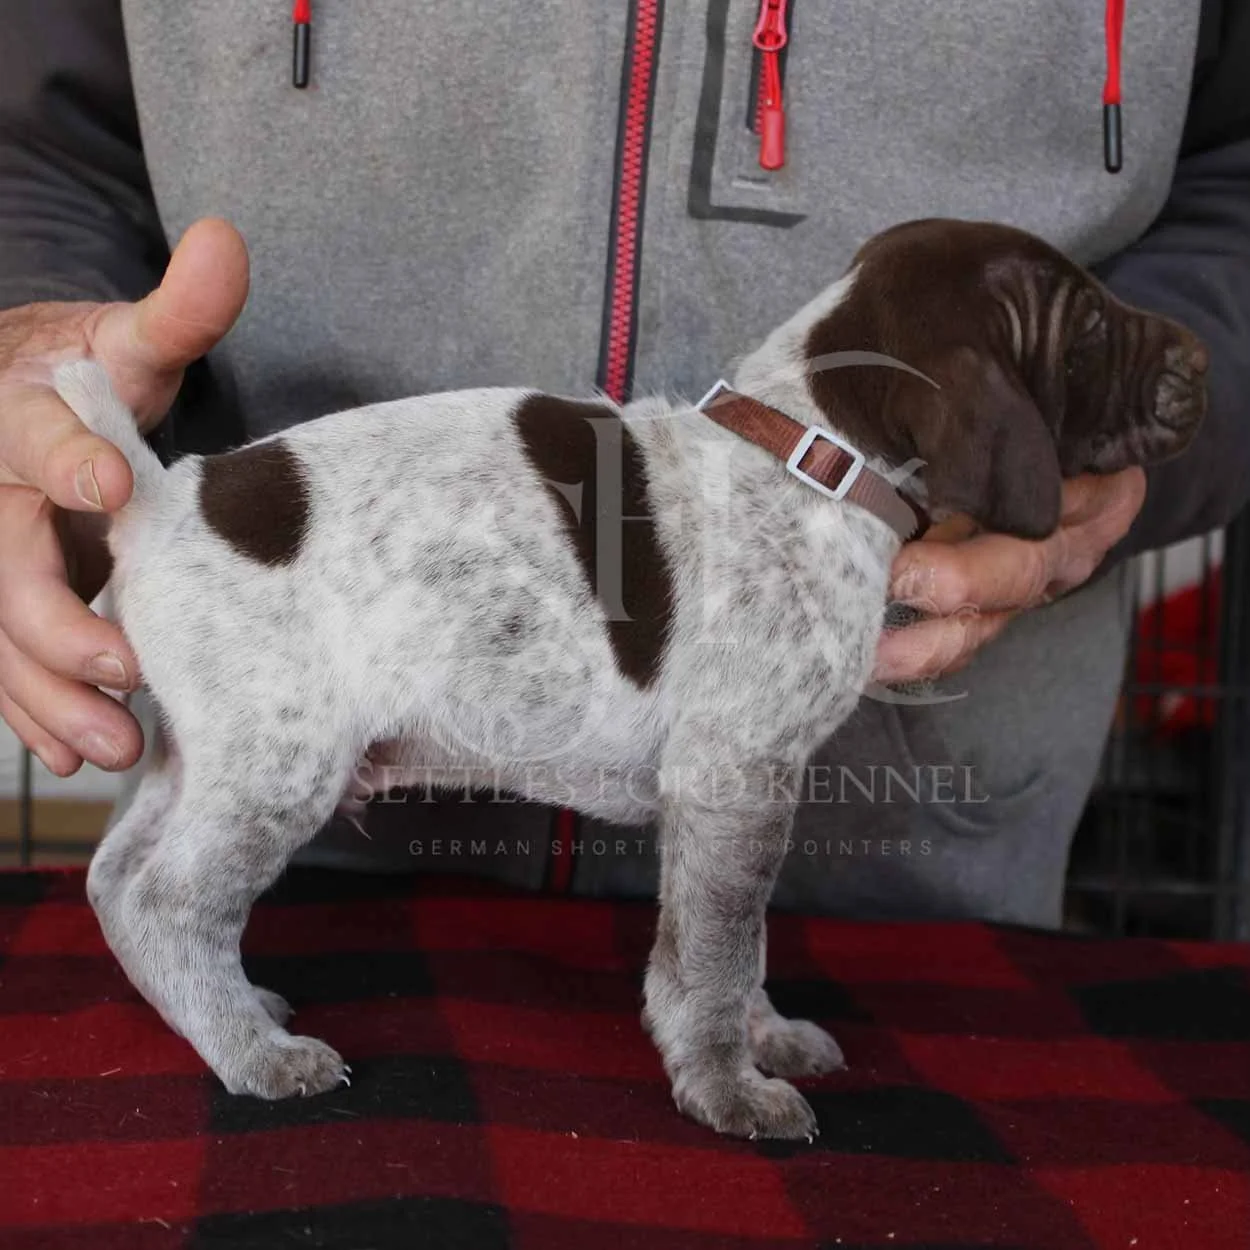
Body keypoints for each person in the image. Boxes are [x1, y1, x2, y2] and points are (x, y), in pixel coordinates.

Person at [0, 0, 1247, 925]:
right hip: (320, 894)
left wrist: (1120, 424)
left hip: (912, 902)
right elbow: (40, 150)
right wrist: (41, 356)